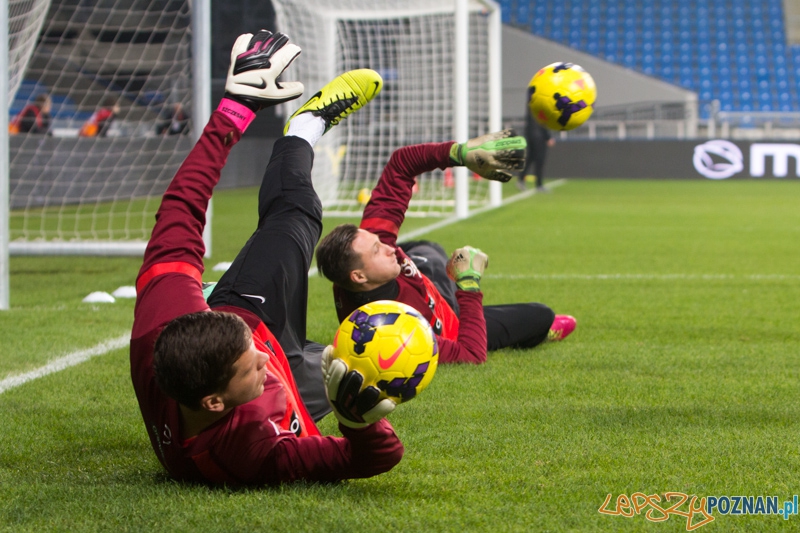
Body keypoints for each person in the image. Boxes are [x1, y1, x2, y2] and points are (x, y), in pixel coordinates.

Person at [131, 30, 402, 486]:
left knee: (298, 212)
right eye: (251, 360)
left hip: (249, 307)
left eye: (250, 348)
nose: (261, 356)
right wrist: (357, 421)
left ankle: (305, 127)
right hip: (287, 369)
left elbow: (180, 208)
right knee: (362, 377)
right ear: (215, 403)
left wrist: (234, 110)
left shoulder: (162, 321)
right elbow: (373, 458)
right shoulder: (251, 453)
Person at [315, 134, 576, 365]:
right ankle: (539, 330)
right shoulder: (393, 328)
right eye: (376, 250)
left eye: (379, 241)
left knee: (428, 249)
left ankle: (436, 272)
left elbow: (401, 163)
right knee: (540, 315)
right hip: (453, 324)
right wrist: (469, 283)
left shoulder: (366, 253)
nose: (388, 247)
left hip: (429, 286)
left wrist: (459, 153)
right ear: (358, 276)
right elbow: (470, 354)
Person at [518, 97, 555, 192]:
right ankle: (539, 185)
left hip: (530, 134)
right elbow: (542, 122)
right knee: (539, 161)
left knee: (530, 158)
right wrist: (547, 137)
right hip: (539, 137)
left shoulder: (531, 103)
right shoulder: (541, 104)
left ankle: (521, 180)